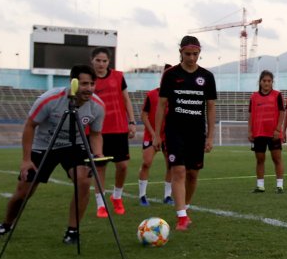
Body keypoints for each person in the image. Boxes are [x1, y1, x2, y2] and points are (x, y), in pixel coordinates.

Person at [0, 64, 105, 245]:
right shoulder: (50, 99)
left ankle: (72, 231)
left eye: (92, 84)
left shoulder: (98, 106)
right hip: (44, 145)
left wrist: (98, 155)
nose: (89, 89)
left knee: (83, 181)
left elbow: (95, 134)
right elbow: (30, 125)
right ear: (73, 82)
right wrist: (25, 160)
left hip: (74, 145)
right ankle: (6, 224)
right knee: (23, 192)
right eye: (84, 84)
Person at [152, 36, 217, 231]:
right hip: (175, 131)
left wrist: (210, 136)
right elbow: (162, 105)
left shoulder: (207, 77)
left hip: (197, 132)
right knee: (178, 171)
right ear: (180, 52)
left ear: (200, 53)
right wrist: (157, 134)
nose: (191, 58)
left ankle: (185, 207)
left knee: (193, 173)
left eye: (195, 54)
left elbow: (211, 107)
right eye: (187, 54)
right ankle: (181, 216)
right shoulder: (171, 75)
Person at [90, 47, 137, 218]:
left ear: (109, 62)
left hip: (119, 128)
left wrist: (131, 122)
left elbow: (126, 99)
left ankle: (117, 197)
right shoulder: (88, 80)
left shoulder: (118, 76)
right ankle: (101, 205)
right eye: (98, 60)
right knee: (100, 168)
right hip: (97, 131)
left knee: (123, 166)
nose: (101, 64)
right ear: (92, 61)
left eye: (104, 61)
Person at [138, 64, 173, 206]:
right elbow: (144, 115)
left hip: (169, 136)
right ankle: (142, 196)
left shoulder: (176, 96)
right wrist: (153, 134)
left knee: (171, 166)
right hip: (151, 135)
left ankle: (167, 196)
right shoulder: (152, 94)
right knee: (146, 163)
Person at [248, 70, 286, 194]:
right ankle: (260, 186)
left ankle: (279, 185)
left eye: (269, 81)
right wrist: (250, 131)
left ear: (272, 82)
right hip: (258, 133)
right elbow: (250, 114)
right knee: (260, 159)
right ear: (260, 82)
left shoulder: (277, 95)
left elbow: (282, 112)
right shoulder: (254, 97)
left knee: (277, 159)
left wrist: (278, 129)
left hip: (273, 133)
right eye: (264, 81)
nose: (266, 83)